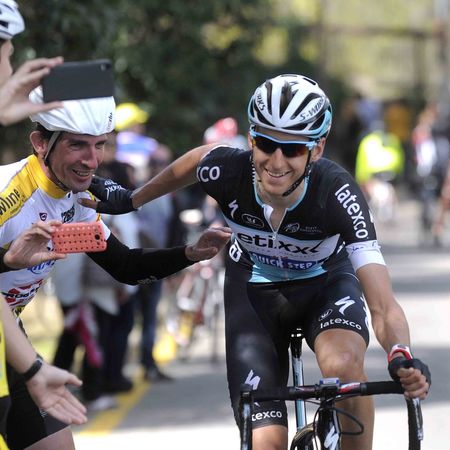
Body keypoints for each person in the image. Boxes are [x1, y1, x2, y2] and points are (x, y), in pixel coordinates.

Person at [83, 74, 431, 450]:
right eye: (266, 144)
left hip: (324, 286)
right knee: (267, 442)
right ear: (251, 140)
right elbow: (197, 161)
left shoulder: (337, 192)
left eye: (293, 149)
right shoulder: (228, 171)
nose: (276, 162)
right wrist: (131, 199)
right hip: (254, 288)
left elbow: (382, 304)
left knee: (344, 367)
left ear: (317, 149)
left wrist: (400, 353)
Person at [0, 88, 231, 450]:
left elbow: (126, 266)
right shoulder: (8, 193)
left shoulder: (78, 199)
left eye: (100, 145)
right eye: (78, 145)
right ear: (40, 143)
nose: (92, 160)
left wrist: (189, 253)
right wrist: (5, 260)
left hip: (7, 334)